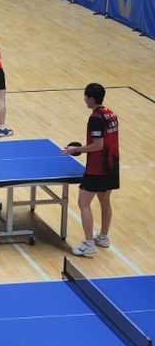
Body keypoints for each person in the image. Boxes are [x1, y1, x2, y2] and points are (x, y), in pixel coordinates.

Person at [63, 83, 119, 258]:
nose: (85, 100)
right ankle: (103, 237)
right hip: (112, 165)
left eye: (86, 97)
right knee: (105, 202)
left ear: (92, 99)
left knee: (83, 203)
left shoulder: (96, 118)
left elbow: (98, 145)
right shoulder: (111, 114)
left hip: (98, 168)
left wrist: (76, 150)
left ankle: (89, 245)